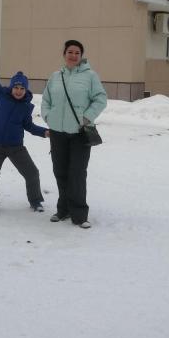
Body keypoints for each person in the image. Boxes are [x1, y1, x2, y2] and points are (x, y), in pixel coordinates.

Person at [41, 40, 107, 229]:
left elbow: (101, 99)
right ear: (64, 54)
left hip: (79, 133)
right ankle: (63, 210)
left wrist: (87, 117)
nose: (73, 55)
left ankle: (79, 214)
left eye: (77, 53)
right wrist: (48, 116)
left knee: (77, 173)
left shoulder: (90, 76)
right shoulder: (55, 76)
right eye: (70, 52)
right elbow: (46, 100)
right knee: (60, 172)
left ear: (81, 56)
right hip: (57, 132)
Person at [0, 42, 49, 213]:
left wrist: (45, 132)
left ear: (26, 90)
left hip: (15, 147)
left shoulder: (26, 106)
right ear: (11, 88)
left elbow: (29, 126)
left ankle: (35, 201)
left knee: (32, 173)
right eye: (16, 87)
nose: (19, 91)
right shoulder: (1, 95)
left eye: (22, 88)